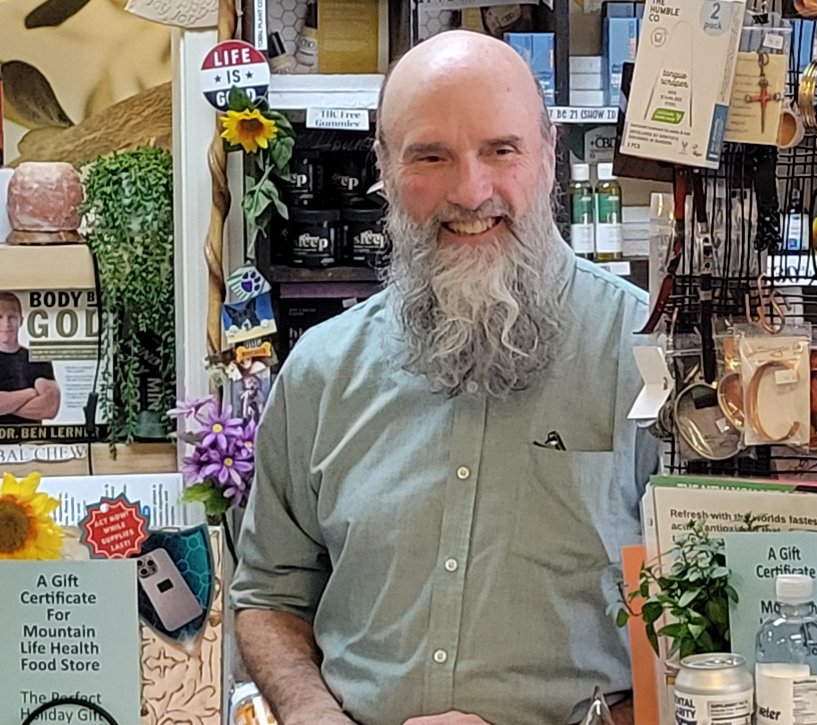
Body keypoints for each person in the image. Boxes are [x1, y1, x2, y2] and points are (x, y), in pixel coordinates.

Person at [231, 30, 658, 725]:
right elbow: (269, 595)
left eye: (501, 150)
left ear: (550, 156)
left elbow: (708, 627)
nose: (470, 190)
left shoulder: (647, 357)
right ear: (386, 168)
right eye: (431, 156)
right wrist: (314, 712)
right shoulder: (320, 371)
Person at [0, 292, 61, 424]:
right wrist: (30, 393)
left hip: (31, 442)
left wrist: (6, 404)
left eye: (12, 317)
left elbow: (50, 408)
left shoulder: (38, 359)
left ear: (21, 320)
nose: (6, 324)